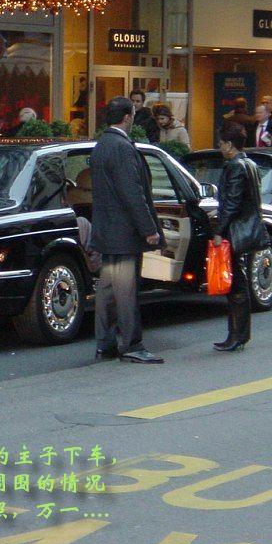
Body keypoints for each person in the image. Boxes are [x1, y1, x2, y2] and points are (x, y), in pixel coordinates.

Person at [89, 96, 165, 364]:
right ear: (127, 117)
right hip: (123, 232)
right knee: (126, 293)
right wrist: (149, 228)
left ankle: (106, 343)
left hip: (107, 230)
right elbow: (132, 192)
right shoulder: (122, 147)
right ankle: (132, 345)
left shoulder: (101, 145)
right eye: (133, 113)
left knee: (108, 291)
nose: (134, 117)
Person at [212, 122, 267, 352]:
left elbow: (231, 203)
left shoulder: (235, 166)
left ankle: (237, 335)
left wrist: (219, 231)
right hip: (247, 228)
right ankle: (238, 334)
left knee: (235, 284)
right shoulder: (250, 164)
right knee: (238, 281)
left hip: (235, 230)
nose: (220, 147)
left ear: (229, 144)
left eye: (221, 143)